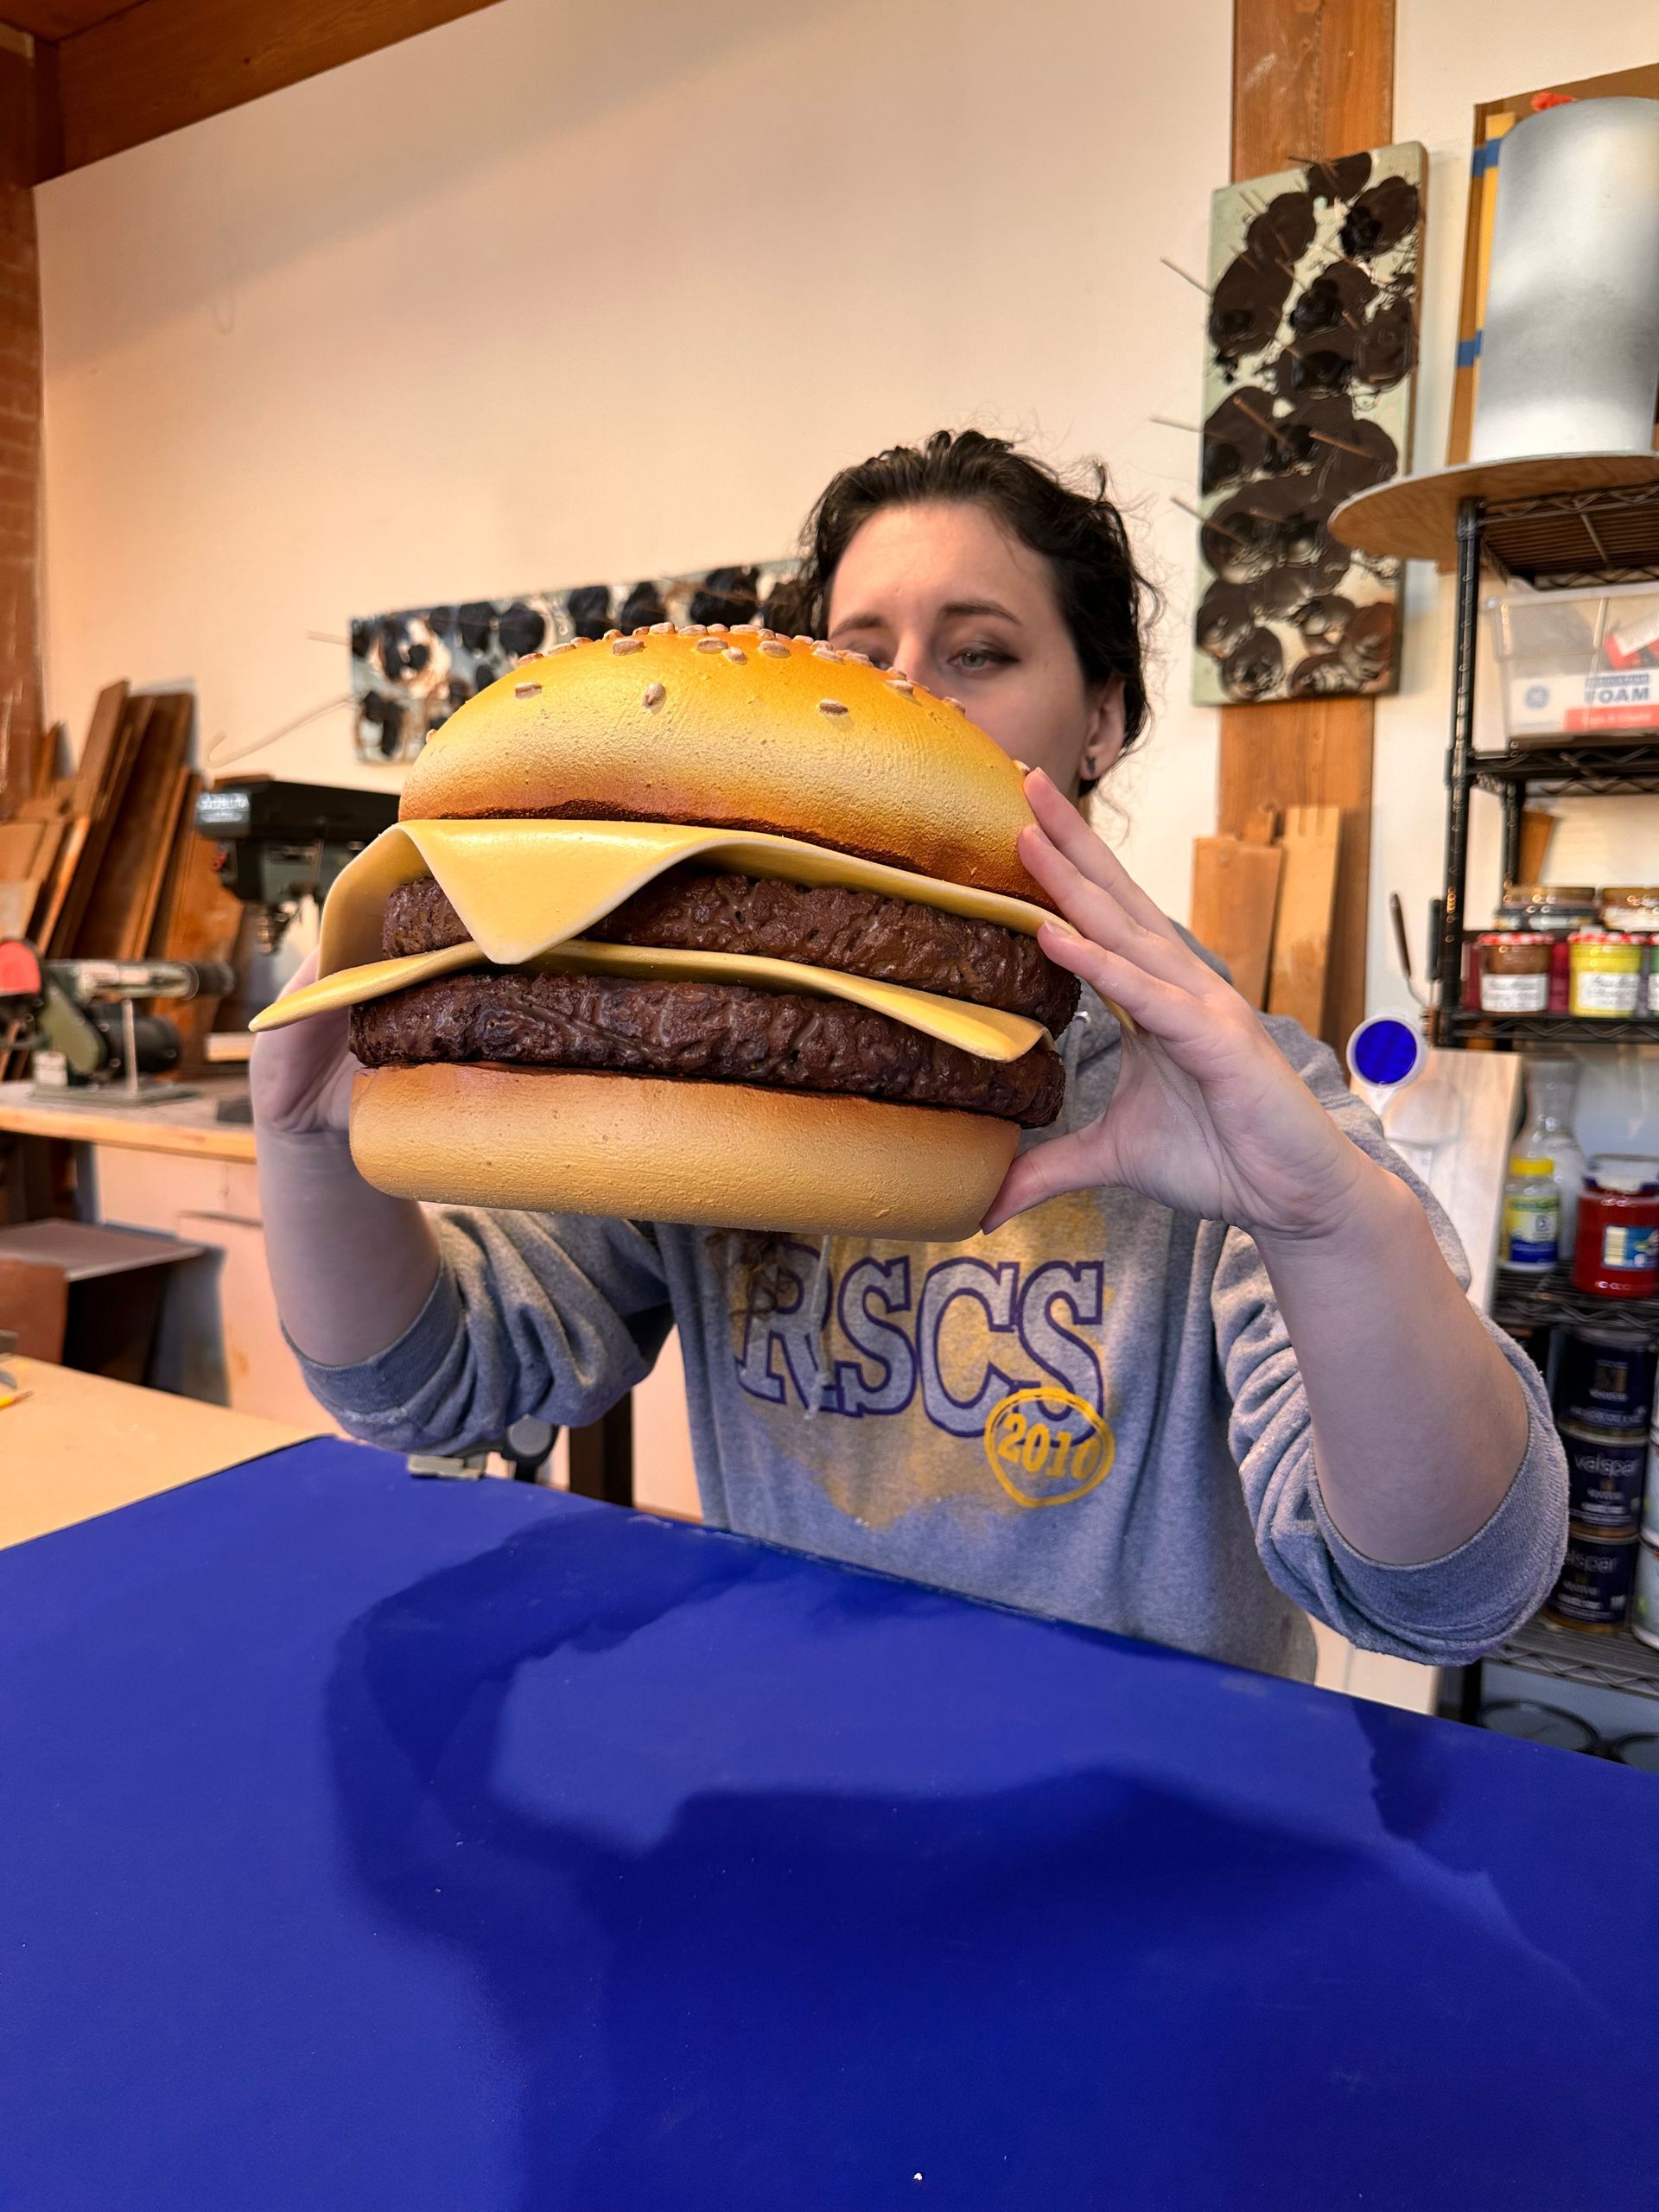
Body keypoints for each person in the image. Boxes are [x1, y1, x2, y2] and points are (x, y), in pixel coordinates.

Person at [252, 429, 1567, 1680]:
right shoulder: (704, 1079)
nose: (906, 695)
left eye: (980, 651)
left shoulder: (1236, 1104)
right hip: (796, 1780)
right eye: (857, 654)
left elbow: (1448, 1592)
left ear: (1102, 717)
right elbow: (431, 1393)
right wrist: (310, 1147)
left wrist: (1325, 1222)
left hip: (1146, 1838)